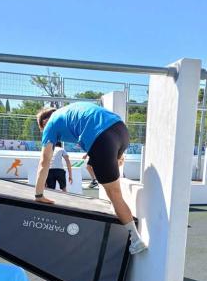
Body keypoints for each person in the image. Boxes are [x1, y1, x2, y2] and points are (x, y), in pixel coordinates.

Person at [35, 102, 146, 255]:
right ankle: (116, 163)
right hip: (121, 130)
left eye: (41, 130)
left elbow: (44, 160)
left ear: (44, 122)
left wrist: (39, 194)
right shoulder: (69, 111)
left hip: (102, 139)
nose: (43, 133)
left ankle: (136, 239)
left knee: (114, 195)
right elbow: (94, 123)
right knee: (93, 164)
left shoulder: (50, 124)